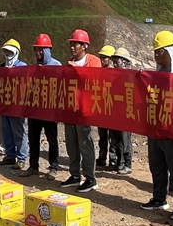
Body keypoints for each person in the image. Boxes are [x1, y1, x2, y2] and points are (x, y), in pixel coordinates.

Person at [141, 31, 173, 220]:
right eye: (155, 52)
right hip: (156, 126)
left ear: (170, 51)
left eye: (160, 51)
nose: (156, 55)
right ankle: (159, 198)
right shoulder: (155, 75)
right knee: (157, 165)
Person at [61, 29, 102, 193]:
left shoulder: (94, 61)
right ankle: (74, 175)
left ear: (84, 46)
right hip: (71, 110)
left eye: (75, 44)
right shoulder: (68, 63)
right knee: (71, 144)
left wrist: (77, 69)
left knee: (85, 144)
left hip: (85, 111)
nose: (72, 47)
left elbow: (94, 80)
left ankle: (90, 178)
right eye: (71, 44)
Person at [24, 33, 62, 180]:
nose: (38, 53)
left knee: (52, 139)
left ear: (47, 50)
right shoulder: (33, 68)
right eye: (37, 49)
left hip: (49, 110)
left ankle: (53, 167)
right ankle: (33, 166)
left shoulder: (56, 66)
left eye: (41, 50)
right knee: (33, 138)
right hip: (35, 109)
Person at [0, 39, 29, 170]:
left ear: (16, 52)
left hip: (17, 105)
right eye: (6, 51)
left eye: (10, 51)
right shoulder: (2, 67)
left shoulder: (23, 66)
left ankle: (22, 158)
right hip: (4, 104)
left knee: (19, 131)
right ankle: (10, 156)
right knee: (7, 131)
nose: (7, 54)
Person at [109, 47, 134, 175]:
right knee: (116, 139)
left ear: (124, 62)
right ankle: (119, 162)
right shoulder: (113, 77)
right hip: (116, 113)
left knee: (125, 139)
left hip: (126, 113)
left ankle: (127, 164)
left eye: (117, 61)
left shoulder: (130, 77)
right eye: (113, 61)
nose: (114, 64)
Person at [96, 44, 116, 169]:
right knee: (102, 136)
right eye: (101, 57)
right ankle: (102, 158)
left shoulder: (115, 73)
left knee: (112, 137)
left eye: (105, 57)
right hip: (101, 108)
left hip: (111, 109)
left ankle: (113, 160)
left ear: (111, 59)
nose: (102, 60)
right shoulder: (98, 72)